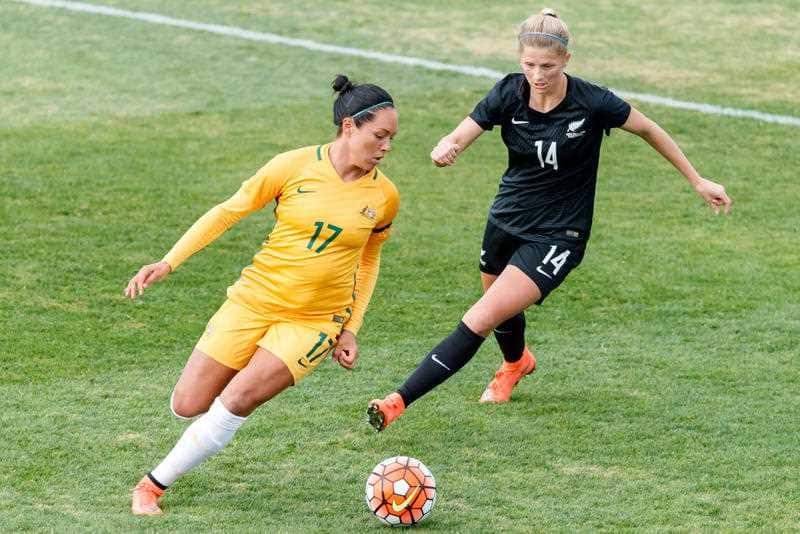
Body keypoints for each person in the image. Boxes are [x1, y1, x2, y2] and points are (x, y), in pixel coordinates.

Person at [367, 8, 731, 431]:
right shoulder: (509, 92)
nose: (537, 75)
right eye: (529, 65)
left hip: (559, 233)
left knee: (480, 317)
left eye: (548, 66)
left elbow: (649, 129)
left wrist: (696, 179)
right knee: (499, 308)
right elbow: (461, 133)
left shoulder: (592, 101)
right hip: (506, 218)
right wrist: (446, 147)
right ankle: (516, 363)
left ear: (566, 61)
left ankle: (396, 402)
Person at [125, 74, 399, 515]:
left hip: (314, 321)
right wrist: (168, 261)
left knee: (238, 399)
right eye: (379, 136)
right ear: (349, 127)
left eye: (391, 139)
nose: (386, 147)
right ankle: (215, 416)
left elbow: (369, 261)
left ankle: (151, 487)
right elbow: (227, 211)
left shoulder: (384, 196)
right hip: (254, 300)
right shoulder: (291, 166)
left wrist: (350, 327)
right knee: (188, 404)